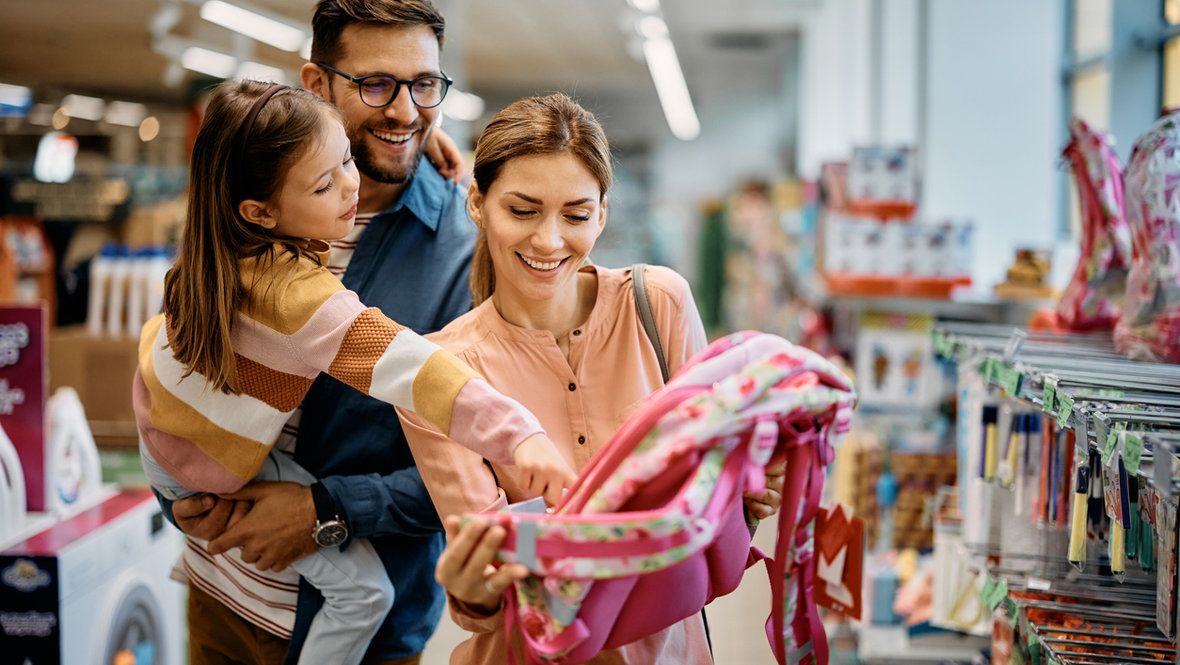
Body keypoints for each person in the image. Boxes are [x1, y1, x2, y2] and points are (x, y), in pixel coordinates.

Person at [135, 79, 574, 665]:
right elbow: (420, 372)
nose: (351, 184)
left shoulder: (217, 247)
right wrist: (520, 434)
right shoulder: (303, 299)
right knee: (364, 594)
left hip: (176, 436)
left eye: (347, 157)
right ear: (260, 210)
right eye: (325, 181)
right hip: (209, 495)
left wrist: (430, 146)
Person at [399, 93, 785, 665]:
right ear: (477, 203)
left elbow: (717, 503)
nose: (550, 241)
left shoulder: (659, 306)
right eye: (523, 210)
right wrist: (472, 589)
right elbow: (490, 590)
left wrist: (749, 492)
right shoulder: (443, 373)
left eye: (576, 215)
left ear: (602, 213)